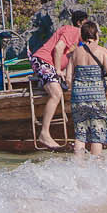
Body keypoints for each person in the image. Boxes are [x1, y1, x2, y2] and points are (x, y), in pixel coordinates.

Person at [59, 18, 107, 157]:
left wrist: (75, 90)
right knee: (97, 132)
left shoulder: (75, 53)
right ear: (95, 35)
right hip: (97, 96)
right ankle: (95, 166)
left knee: (80, 133)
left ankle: (78, 166)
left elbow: (68, 78)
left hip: (78, 97)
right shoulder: (102, 52)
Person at [30, 9, 86, 149]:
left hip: (48, 65)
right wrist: (57, 70)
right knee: (56, 93)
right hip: (43, 61)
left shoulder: (78, 41)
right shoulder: (73, 31)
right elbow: (58, 48)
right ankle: (44, 133)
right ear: (79, 23)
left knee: (59, 90)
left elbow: (70, 61)